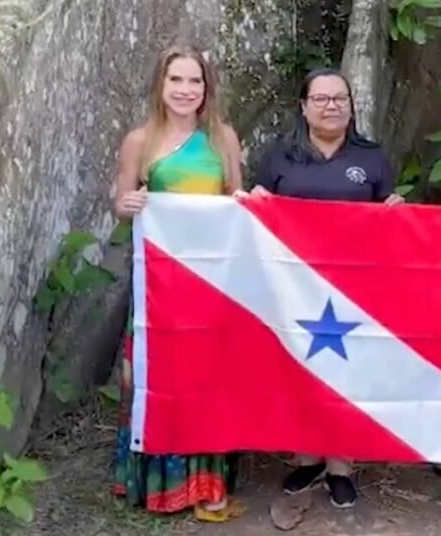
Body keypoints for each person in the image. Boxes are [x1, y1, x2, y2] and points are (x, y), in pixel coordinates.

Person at [248, 67, 404, 509]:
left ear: (352, 107)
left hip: (351, 288)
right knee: (296, 366)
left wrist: (395, 210)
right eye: (321, 99)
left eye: (339, 99)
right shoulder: (281, 155)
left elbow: (388, 216)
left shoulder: (371, 157)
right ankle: (306, 457)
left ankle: (341, 464)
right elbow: (258, 208)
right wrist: (253, 203)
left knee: (345, 371)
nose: (331, 106)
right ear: (304, 107)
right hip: (290, 286)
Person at [110, 44, 246, 523]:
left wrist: (248, 200)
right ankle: (156, 482)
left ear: (206, 89)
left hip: (211, 283)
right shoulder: (139, 141)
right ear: (160, 86)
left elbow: (236, 198)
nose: (186, 90)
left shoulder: (223, 139)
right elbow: (122, 200)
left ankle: (208, 481)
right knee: (154, 374)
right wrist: (126, 205)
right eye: (177, 81)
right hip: (159, 284)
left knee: (207, 375)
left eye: (195, 82)